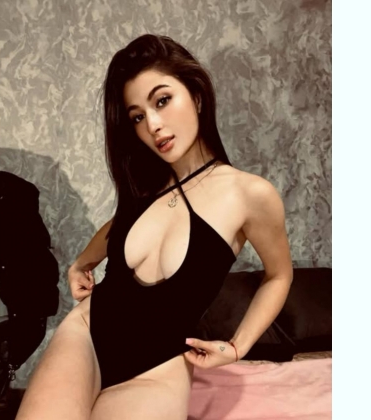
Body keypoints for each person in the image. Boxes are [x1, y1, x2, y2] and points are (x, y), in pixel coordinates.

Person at [16, 34, 293, 420]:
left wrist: (237, 347)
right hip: (86, 335)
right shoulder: (146, 185)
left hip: (157, 368)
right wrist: (81, 262)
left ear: (196, 95)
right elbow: (119, 226)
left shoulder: (249, 194)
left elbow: (279, 275)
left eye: (162, 101)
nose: (154, 125)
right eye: (137, 117)